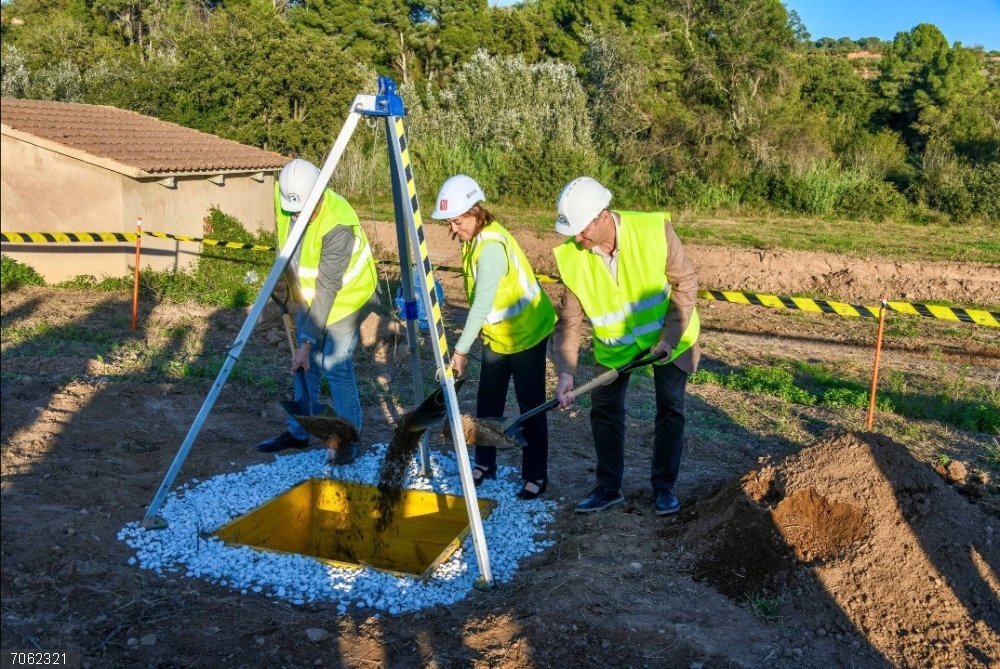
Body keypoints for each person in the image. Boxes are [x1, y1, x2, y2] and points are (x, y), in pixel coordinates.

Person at [551, 176, 700, 515]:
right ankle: (608, 487)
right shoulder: (574, 256)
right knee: (604, 411)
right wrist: (565, 372)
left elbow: (685, 282)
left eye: (582, 230)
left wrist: (670, 338)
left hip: (669, 336)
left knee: (670, 408)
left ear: (602, 216)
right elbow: (570, 320)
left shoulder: (653, 231)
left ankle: (664, 488)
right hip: (615, 345)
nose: (577, 238)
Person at [431, 174, 557, 500]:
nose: (453, 229)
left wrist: (460, 351)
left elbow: (482, 303)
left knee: (530, 405)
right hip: (498, 335)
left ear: (475, 212)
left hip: (527, 333)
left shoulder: (491, 248)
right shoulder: (473, 239)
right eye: (450, 223)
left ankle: (535, 475)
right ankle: (485, 464)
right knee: (488, 401)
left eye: (457, 221)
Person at [256, 158, 379, 465]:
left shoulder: (338, 224)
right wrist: (286, 281)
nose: (297, 215)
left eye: (303, 209)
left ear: (320, 193)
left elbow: (328, 287)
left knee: (335, 365)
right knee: (303, 365)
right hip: (309, 296)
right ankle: (298, 432)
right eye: (293, 209)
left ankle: (348, 441)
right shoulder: (286, 197)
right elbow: (285, 245)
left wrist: (308, 342)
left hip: (346, 298)